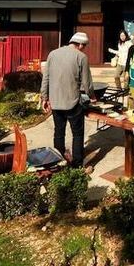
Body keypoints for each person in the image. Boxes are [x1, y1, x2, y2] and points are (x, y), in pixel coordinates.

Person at [41, 32, 95, 169]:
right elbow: (87, 83)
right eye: (85, 46)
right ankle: (77, 164)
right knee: (77, 133)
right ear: (80, 44)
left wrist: (44, 97)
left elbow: (45, 78)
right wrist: (92, 96)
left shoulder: (53, 54)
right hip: (73, 103)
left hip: (56, 102)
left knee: (59, 132)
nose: (84, 49)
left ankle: (58, 162)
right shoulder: (81, 57)